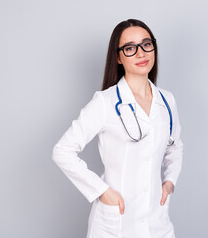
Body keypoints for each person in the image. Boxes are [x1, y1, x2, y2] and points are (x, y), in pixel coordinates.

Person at [52, 19, 184, 238]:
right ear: (118, 57)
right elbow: (63, 151)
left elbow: (175, 146)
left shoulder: (167, 101)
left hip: (157, 223)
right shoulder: (105, 102)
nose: (141, 54)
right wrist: (102, 192)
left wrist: (170, 181)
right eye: (130, 48)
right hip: (115, 223)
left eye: (146, 44)